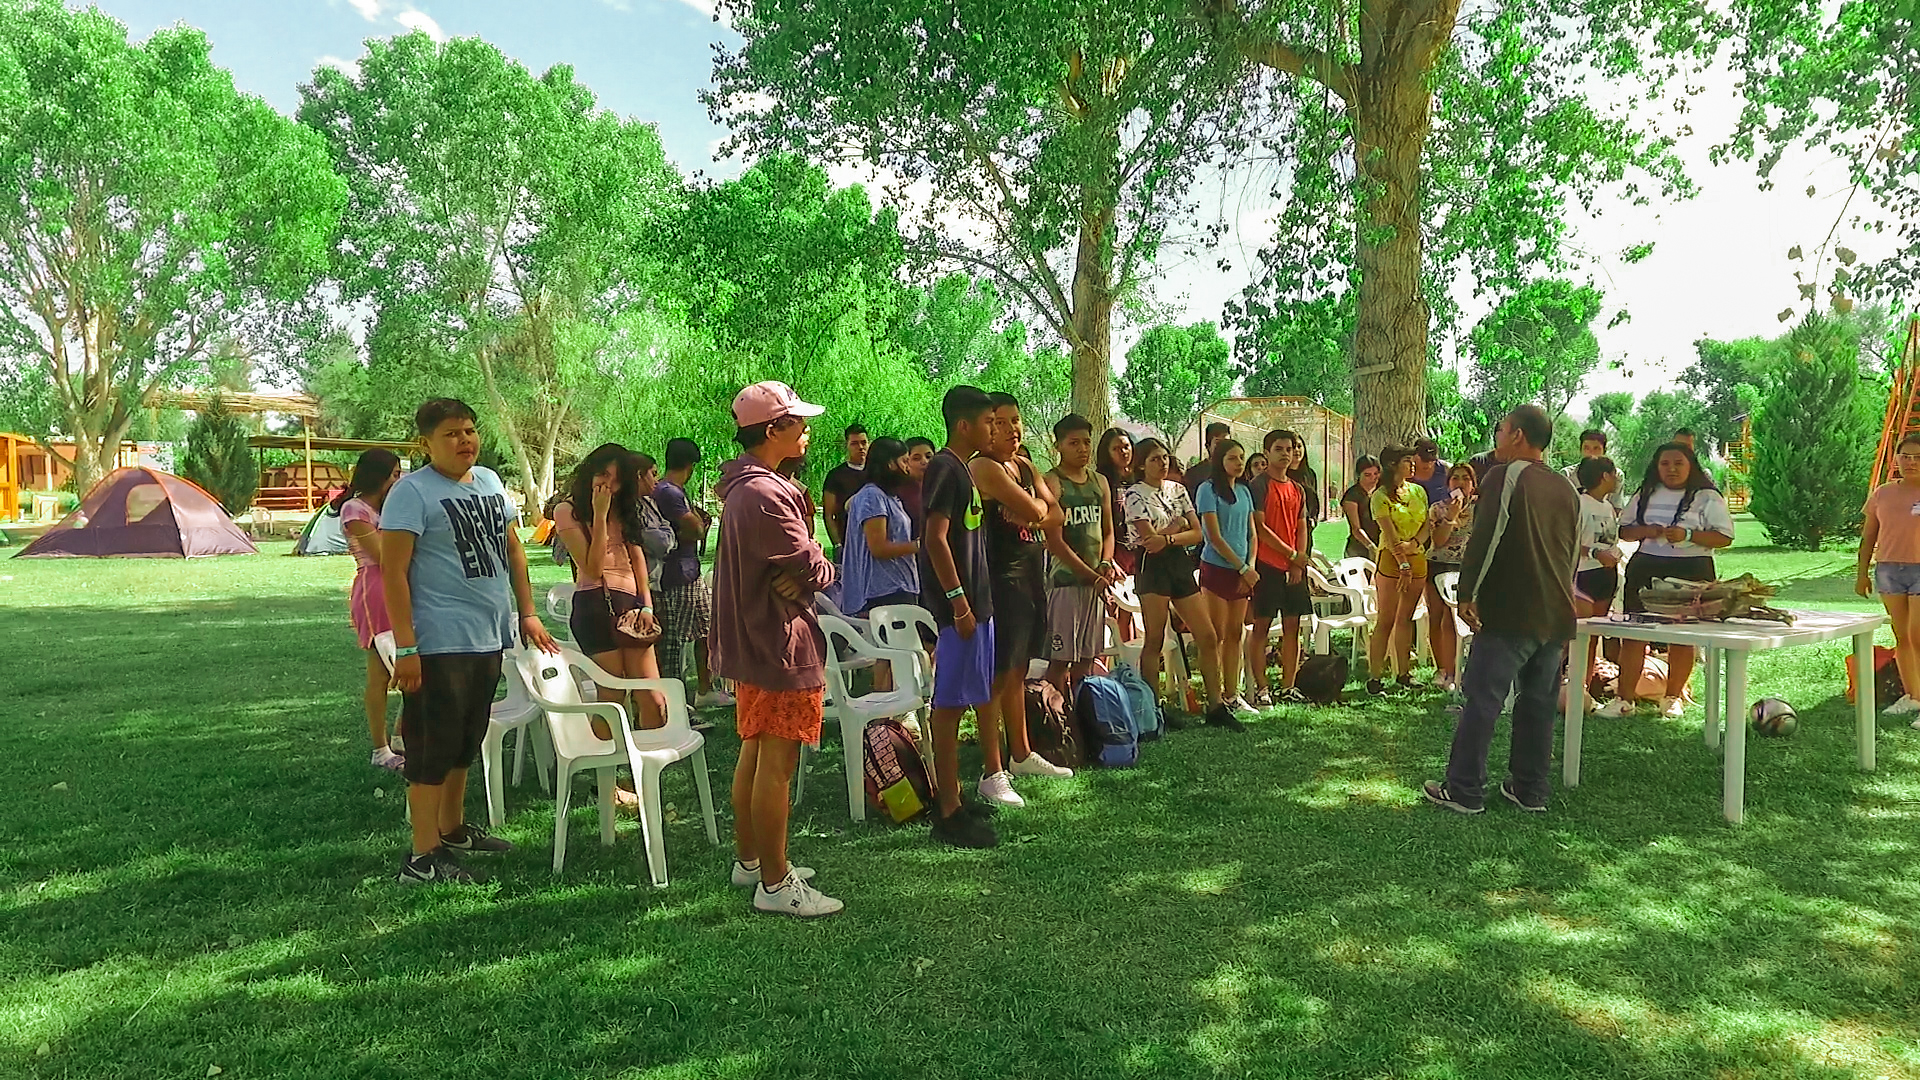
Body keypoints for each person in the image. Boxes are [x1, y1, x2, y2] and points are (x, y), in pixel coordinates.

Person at [383, 398, 558, 886]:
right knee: (430, 749)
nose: (465, 440)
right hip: (439, 640)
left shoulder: (490, 483)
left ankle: (453, 829)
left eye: (470, 430)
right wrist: (407, 647)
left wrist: (527, 612)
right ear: (426, 443)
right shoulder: (411, 493)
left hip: (487, 635)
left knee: (466, 741)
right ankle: (422, 858)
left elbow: (513, 550)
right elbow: (393, 572)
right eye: (451, 434)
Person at [711, 381, 842, 917]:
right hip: (780, 642)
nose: (807, 430)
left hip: (758, 641)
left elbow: (798, 566)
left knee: (756, 751)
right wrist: (817, 570)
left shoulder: (748, 487)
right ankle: (774, 881)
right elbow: (814, 566)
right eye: (797, 422)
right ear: (772, 431)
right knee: (776, 764)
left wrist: (804, 571)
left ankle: (752, 859)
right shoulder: (766, 495)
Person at [1423, 405, 1580, 814]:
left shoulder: (1504, 476)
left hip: (1513, 608)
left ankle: (1464, 789)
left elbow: (1485, 537)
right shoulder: (1566, 487)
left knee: (1483, 699)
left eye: (1503, 428)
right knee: (1538, 702)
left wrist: (1468, 592)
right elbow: (1572, 553)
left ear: (1518, 436)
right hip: (1555, 610)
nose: (1498, 434)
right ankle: (1530, 789)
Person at [921, 384, 1045, 848]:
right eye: (990, 422)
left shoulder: (966, 472)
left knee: (971, 697)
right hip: (961, 612)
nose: (997, 429)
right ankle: (947, 810)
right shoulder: (944, 468)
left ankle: (956, 796)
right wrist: (957, 601)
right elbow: (934, 538)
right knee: (949, 708)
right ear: (964, 424)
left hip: (983, 605)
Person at [977, 395, 1073, 807]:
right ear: (986, 426)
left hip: (1031, 575)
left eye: (1017, 420)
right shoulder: (984, 466)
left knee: (1017, 671)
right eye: (1002, 422)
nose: (1013, 429)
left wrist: (1035, 511)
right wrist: (1036, 509)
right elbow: (1037, 507)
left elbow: (1055, 515)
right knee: (998, 677)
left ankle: (1021, 753)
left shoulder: (1025, 464)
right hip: (1000, 579)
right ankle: (991, 771)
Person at [1593, 443, 1735, 718]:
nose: (1671, 469)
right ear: (1656, 467)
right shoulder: (1645, 493)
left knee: (1683, 635)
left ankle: (1672, 697)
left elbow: (1725, 536)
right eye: (1665, 464)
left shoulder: (1707, 496)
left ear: (1690, 465)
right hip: (1646, 566)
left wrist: (1689, 536)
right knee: (1635, 633)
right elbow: (1625, 530)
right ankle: (1624, 700)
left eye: (1678, 463)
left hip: (1692, 569)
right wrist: (1649, 530)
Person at [553, 445, 665, 733]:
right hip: (596, 605)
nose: (607, 484)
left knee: (653, 698)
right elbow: (591, 567)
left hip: (632, 604)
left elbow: (636, 555)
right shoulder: (568, 511)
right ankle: (606, 776)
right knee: (613, 697)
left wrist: (647, 604)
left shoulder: (625, 507)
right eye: (602, 474)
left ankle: (645, 771)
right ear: (589, 471)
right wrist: (600, 516)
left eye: (616, 480)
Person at [1124, 438, 1229, 726]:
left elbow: (1198, 533)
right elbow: (1149, 541)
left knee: (1207, 635)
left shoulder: (1178, 489)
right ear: (1142, 464)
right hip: (1152, 567)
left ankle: (1216, 705)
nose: (1162, 463)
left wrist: (1171, 534)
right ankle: (1153, 709)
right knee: (1155, 638)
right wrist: (1176, 526)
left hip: (1179, 563)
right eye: (1155, 459)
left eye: (1165, 457)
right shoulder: (1135, 494)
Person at [1043, 413, 1121, 699]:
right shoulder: (1052, 481)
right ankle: (1054, 718)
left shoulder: (1100, 481)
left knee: (1088, 658)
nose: (1082, 449)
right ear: (1059, 446)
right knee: (1061, 659)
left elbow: (1108, 530)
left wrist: (1105, 564)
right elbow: (1055, 542)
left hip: (1096, 582)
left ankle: (1084, 715)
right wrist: (1092, 575)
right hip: (1066, 581)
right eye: (1074, 443)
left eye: (1086, 442)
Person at [336, 448, 405, 771]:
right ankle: (381, 748)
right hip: (375, 591)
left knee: (410, 666)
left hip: (402, 587)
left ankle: (402, 737)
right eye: (394, 474)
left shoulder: (390, 508)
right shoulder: (355, 509)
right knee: (381, 672)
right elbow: (383, 556)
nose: (399, 480)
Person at [653, 438, 731, 709]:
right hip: (676, 576)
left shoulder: (670, 490)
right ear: (691, 465)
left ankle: (704, 688)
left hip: (689, 573)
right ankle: (675, 704)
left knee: (706, 629)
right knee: (673, 644)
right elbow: (695, 528)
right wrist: (698, 523)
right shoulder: (670, 493)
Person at [1245, 429, 1314, 706]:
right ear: (1267, 452)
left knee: (1292, 626)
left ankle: (1288, 685)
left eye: (1290, 448)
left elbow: (1301, 526)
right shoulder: (1259, 485)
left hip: (1293, 566)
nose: (1286, 454)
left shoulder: (1298, 489)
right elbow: (1260, 528)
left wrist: (1299, 560)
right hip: (1267, 565)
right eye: (1279, 449)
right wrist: (1290, 555)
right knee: (1261, 627)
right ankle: (1262, 688)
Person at [1857, 433, 1920, 720]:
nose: (1911, 462)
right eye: (1905, 456)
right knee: (1901, 635)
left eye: (1918, 457)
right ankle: (1913, 696)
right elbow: (1869, 536)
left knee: (1917, 635)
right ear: (1896, 459)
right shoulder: (1882, 493)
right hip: (1889, 570)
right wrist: (1861, 573)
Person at [1195, 437, 1258, 723]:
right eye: (1233, 457)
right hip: (1217, 568)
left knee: (1236, 633)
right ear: (1220, 460)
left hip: (1244, 571)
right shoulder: (1207, 491)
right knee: (1217, 635)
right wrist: (1241, 567)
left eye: (1241, 457)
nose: (1239, 462)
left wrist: (1250, 567)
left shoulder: (1244, 491)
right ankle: (1217, 695)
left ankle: (1233, 694)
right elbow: (1214, 537)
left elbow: (1252, 533)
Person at [1367, 445, 1431, 695]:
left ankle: (1403, 673)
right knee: (1386, 619)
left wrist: (1414, 545)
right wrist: (1402, 560)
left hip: (1417, 557)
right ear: (1393, 464)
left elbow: (1427, 524)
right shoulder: (1380, 495)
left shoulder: (1418, 491)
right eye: (1407, 460)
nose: (1413, 464)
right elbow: (1388, 533)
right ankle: (1374, 678)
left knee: (1406, 618)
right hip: (1392, 561)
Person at [840, 436, 922, 618]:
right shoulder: (872, 496)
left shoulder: (889, 496)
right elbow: (878, 548)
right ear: (890, 464)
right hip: (882, 593)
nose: (907, 467)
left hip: (898, 587)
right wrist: (918, 546)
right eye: (904, 461)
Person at [1423, 463, 1478, 692]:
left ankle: (1461, 669)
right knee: (1438, 618)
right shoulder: (1438, 508)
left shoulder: (1481, 509)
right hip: (1438, 565)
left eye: (1466, 478)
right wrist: (1451, 517)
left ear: (1473, 485)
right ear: (1448, 483)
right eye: (1455, 478)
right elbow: (1438, 540)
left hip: (1467, 568)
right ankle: (1443, 669)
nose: (1460, 482)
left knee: (1457, 620)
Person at [1573, 456, 1624, 696]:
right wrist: (1594, 552)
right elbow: (1568, 543)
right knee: (1576, 637)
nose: (1616, 478)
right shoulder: (1578, 504)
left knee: (1593, 636)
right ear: (1604, 476)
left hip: (1606, 575)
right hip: (1582, 576)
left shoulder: (1607, 507)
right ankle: (1567, 686)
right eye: (1613, 473)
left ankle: (1585, 686)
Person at [821, 424, 871, 560]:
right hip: (848, 542)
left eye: (863, 443)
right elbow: (829, 514)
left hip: (874, 541)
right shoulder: (836, 476)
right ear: (847, 445)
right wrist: (837, 544)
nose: (860, 447)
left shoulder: (877, 473)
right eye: (855, 443)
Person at [1096, 427, 1137, 577]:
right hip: (1115, 552)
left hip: (1140, 553)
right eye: (1116, 449)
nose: (1124, 452)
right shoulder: (1100, 482)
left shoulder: (1140, 480)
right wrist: (1109, 559)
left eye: (1126, 447)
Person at [1564, 430, 1627, 512]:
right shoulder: (1568, 474)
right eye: (1586, 448)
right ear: (1580, 450)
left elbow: (1616, 508)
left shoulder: (1615, 476)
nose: (1591, 453)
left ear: (1604, 451)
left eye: (1596, 448)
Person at [1341, 455, 1383, 561]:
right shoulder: (1352, 495)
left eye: (1376, 474)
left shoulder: (1381, 492)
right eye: (1367, 475)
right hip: (1359, 549)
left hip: (1382, 545)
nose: (1373, 478)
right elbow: (1356, 529)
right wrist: (1371, 547)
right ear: (1359, 475)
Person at [1182, 421, 1232, 497]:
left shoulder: (1236, 471)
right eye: (1218, 443)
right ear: (1208, 446)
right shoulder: (1194, 474)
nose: (1223, 447)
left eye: (1227, 443)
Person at [901, 436, 936, 537]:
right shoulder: (898, 492)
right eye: (916, 458)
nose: (924, 461)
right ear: (906, 463)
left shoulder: (942, 487)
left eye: (929, 457)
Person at [1289, 433, 1322, 524]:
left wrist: (1314, 518)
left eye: (1299, 446)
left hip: (1307, 525)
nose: (1296, 450)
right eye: (1292, 447)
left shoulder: (1310, 474)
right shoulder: (1282, 474)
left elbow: (1314, 499)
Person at [1411, 437, 1452, 507]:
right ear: (1414, 455)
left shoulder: (1446, 469)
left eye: (1432, 460)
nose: (1429, 465)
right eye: (1424, 460)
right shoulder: (1406, 471)